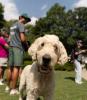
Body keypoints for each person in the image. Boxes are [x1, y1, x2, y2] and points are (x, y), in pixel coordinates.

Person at [5, 13, 31, 95]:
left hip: (11, 47)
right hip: (18, 48)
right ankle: (13, 89)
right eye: (25, 19)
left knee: (10, 68)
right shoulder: (21, 24)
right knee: (16, 68)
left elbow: (8, 40)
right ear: (21, 17)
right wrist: (27, 46)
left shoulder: (12, 26)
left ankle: (8, 87)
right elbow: (23, 39)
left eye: (27, 20)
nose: (26, 21)